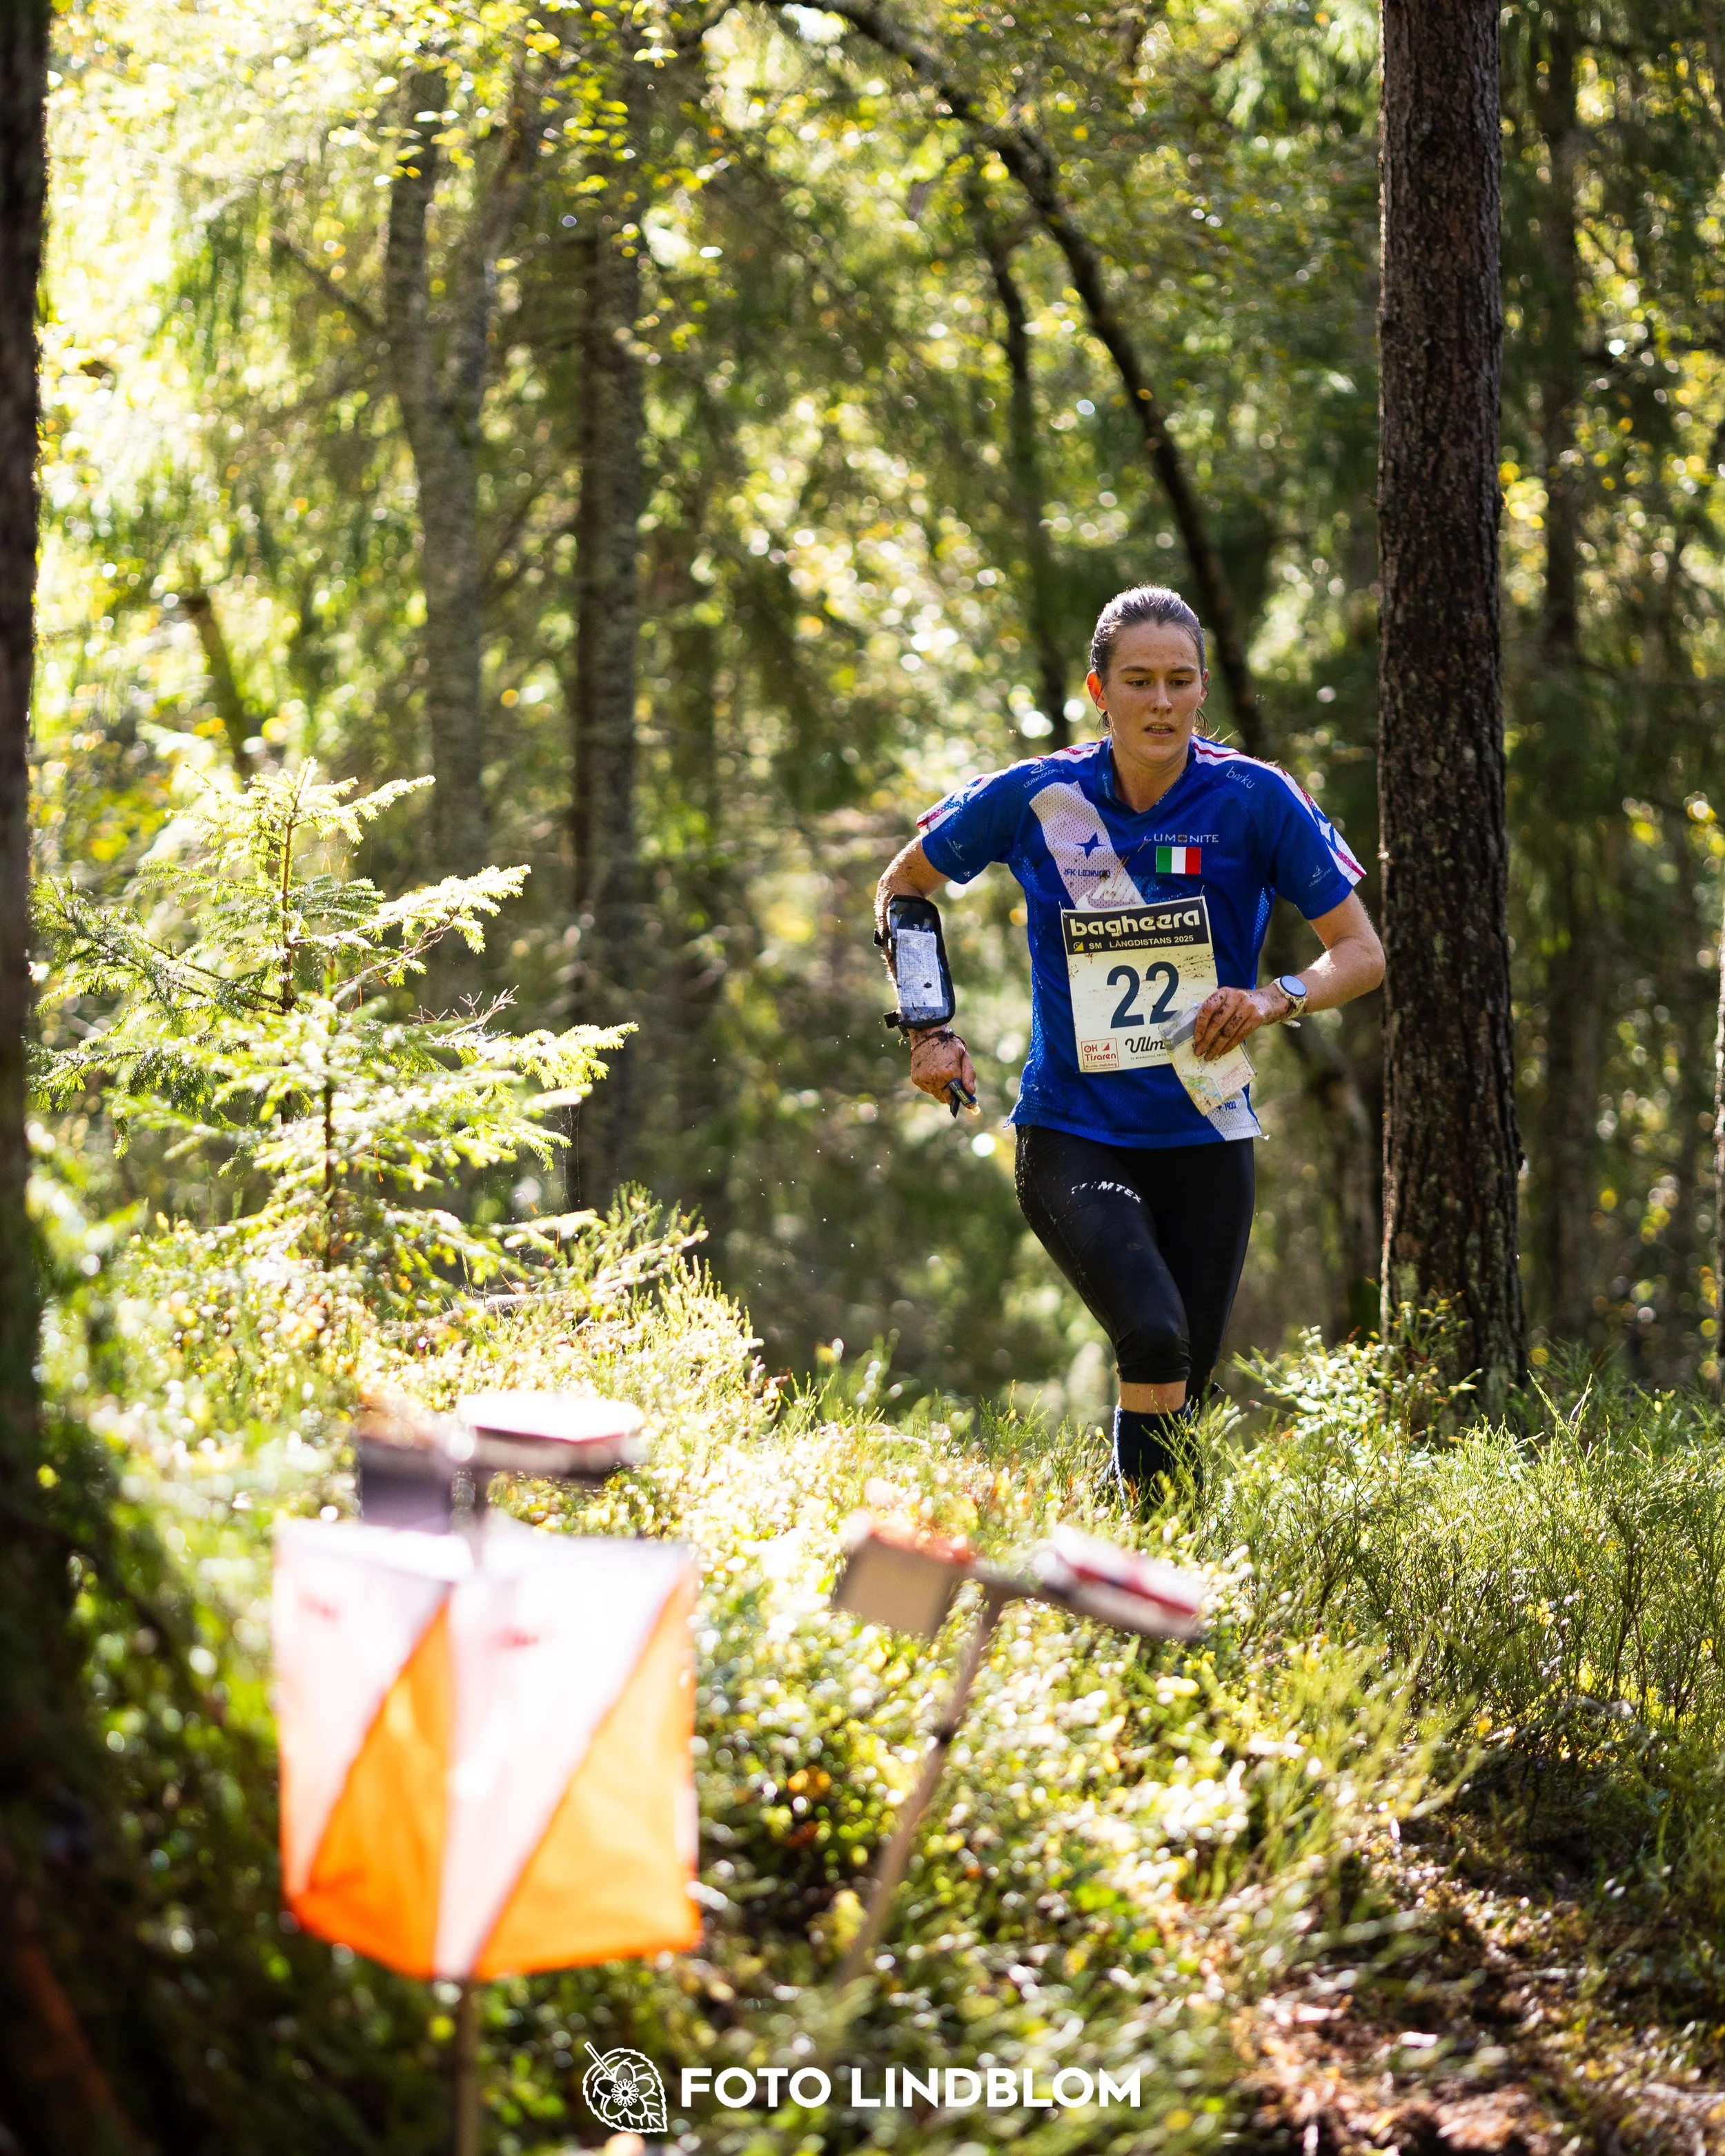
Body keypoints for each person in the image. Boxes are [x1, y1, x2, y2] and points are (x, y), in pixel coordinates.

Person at [874, 585, 1384, 1494]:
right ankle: (1139, 1593)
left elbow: (1361, 953)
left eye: (1179, 681)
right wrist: (929, 1030)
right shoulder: (1042, 796)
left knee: (1177, 1396)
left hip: (1207, 1130)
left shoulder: (1253, 799)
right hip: (1077, 1129)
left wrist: (1275, 1000)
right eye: (1138, 681)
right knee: (1152, 1334)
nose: (1160, 701)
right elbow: (904, 887)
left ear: (1200, 693)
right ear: (1098, 690)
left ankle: (1135, 1561)